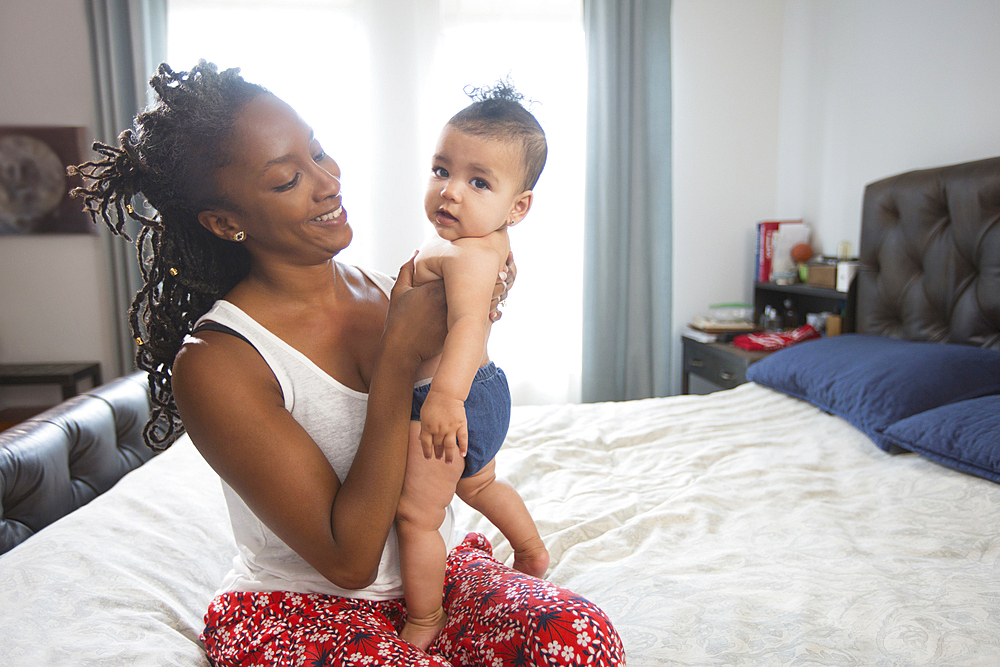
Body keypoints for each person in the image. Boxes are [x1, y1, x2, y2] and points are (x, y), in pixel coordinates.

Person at [70, 60, 624, 666]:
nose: (328, 181)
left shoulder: (395, 287)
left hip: (428, 580)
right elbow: (350, 560)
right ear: (226, 223)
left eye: (318, 152)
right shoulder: (219, 362)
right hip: (301, 609)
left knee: (576, 638)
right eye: (287, 180)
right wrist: (395, 361)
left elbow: (461, 387)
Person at [396, 83, 550, 650]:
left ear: (518, 205)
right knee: (479, 483)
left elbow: (468, 326)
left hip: (449, 395)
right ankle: (530, 548)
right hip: (481, 391)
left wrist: (443, 399)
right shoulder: (489, 242)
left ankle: (424, 618)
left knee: (417, 516)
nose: (451, 192)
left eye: (478, 181)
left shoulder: (466, 254)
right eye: (441, 170)